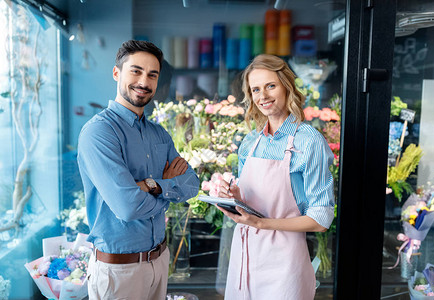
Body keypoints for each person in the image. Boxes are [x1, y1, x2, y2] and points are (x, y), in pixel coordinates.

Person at [77, 40, 200, 300]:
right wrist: (167, 190)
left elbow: (191, 184)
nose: (144, 81)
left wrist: (150, 186)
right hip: (119, 271)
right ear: (116, 73)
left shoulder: (159, 134)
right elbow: (127, 207)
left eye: (152, 75)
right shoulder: (99, 132)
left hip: (159, 259)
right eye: (136, 71)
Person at [217, 54, 335, 299]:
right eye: (256, 89)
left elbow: (321, 219)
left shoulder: (308, 140)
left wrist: (263, 223)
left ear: (286, 86)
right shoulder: (251, 141)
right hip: (245, 255)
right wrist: (235, 196)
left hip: (285, 264)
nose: (263, 96)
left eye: (271, 86)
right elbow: (251, 204)